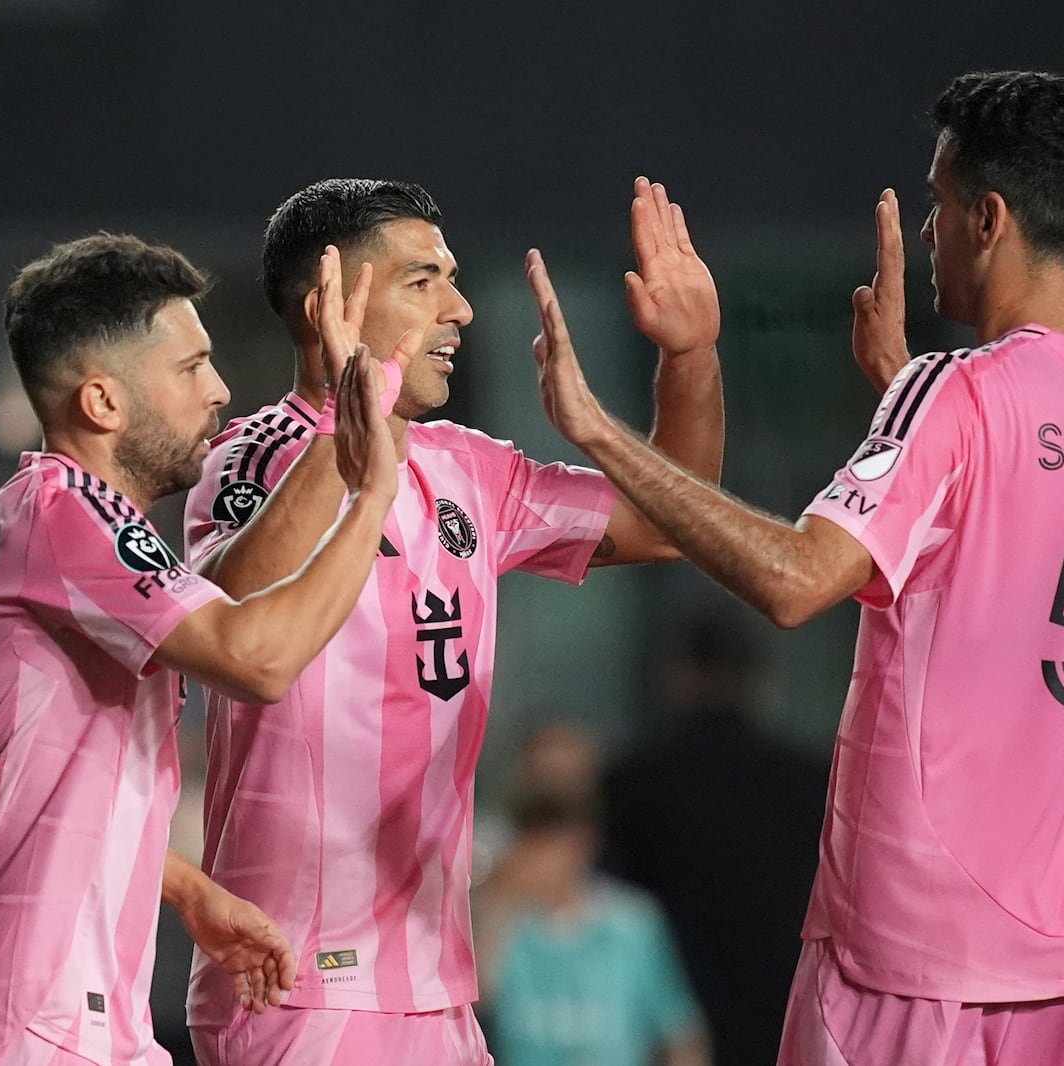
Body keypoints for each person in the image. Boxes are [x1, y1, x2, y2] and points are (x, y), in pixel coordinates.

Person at [526, 70, 1064, 1065]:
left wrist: (597, 430)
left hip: (917, 941)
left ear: (988, 217)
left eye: (936, 204)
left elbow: (801, 579)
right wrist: (901, 391)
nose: (926, 231)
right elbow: (1013, 538)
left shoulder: (951, 396)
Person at [180, 177, 724, 1064]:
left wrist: (691, 358)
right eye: (423, 281)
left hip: (438, 990)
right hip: (300, 983)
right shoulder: (254, 452)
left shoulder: (471, 470)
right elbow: (231, 612)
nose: (461, 309)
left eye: (454, 280)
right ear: (331, 306)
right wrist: (351, 425)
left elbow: (673, 524)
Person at [0, 233, 402, 1066]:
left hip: (64, 1011)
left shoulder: (81, 525)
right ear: (103, 402)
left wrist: (190, 891)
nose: (221, 389)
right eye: (191, 366)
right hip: (17, 1016)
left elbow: (55, 788)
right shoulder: (63, 515)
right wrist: (373, 489)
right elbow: (258, 659)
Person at [600, 607, 828, 1065]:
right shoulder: (809, 780)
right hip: (777, 1007)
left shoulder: (635, 778)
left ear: (678, 674)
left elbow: (612, 898)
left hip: (669, 1017)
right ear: (758, 677)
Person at [473, 752, 709, 1066]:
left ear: (586, 841)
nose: (542, 857)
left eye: (555, 838)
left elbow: (681, 1034)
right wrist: (500, 906)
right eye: (532, 838)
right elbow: (472, 1003)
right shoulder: (503, 924)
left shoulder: (634, 923)